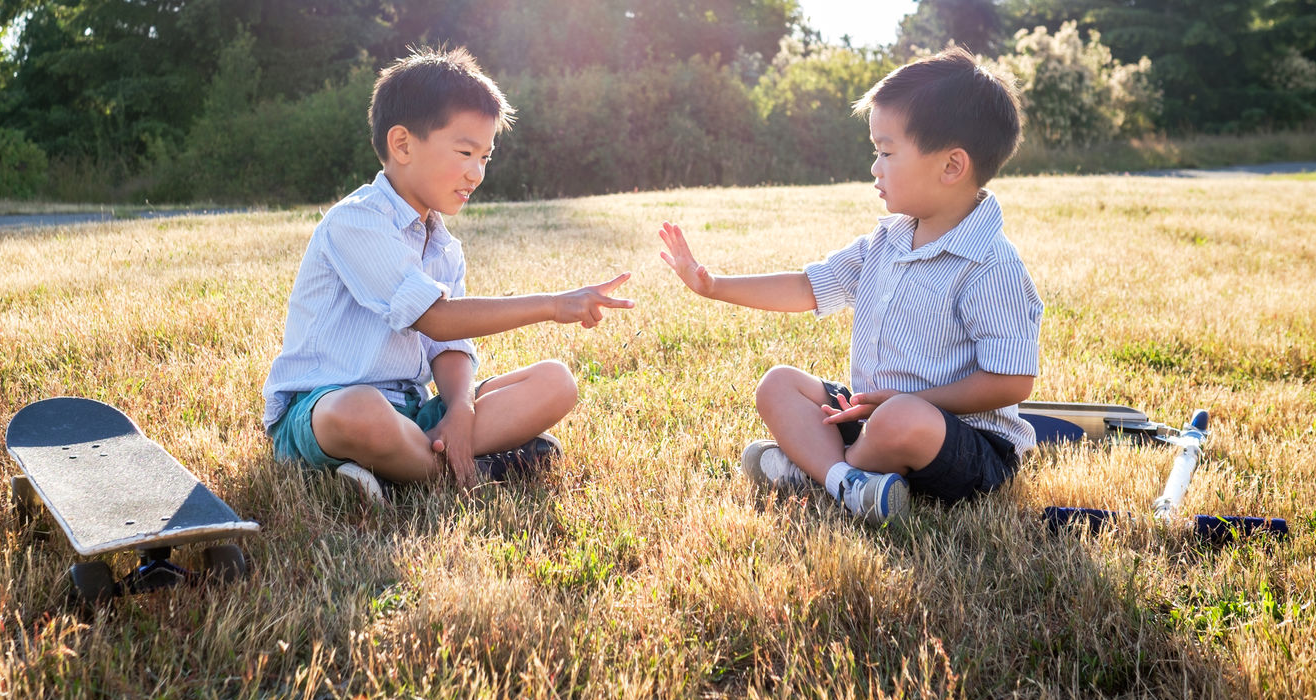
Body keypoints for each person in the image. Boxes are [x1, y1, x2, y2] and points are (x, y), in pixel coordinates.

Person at [658, 46, 1041, 524]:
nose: (875, 167)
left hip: (964, 446)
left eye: (886, 152)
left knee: (900, 418)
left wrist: (908, 403)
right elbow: (808, 287)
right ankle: (848, 481)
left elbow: (1011, 381)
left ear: (951, 166)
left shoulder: (990, 264)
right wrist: (713, 285)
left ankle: (820, 472)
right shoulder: (886, 240)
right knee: (778, 384)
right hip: (872, 416)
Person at [263, 46, 634, 503]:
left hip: (414, 414)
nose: (476, 173)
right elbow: (436, 319)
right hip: (321, 412)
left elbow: (449, 345)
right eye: (465, 152)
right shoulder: (356, 221)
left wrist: (460, 409)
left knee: (556, 382)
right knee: (360, 409)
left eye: (485, 157)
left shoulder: (443, 246)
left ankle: (401, 469)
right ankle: (473, 471)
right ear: (402, 145)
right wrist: (553, 305)